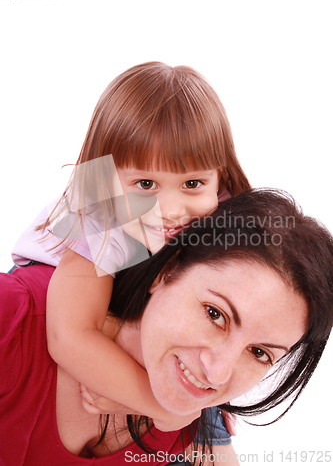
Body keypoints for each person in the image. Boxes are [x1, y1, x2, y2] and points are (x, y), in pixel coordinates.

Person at [2, 190, 332, 466]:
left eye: (259, 352)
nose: (217, 373)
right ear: (167, 270)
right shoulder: (14, 317)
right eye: (215, 314)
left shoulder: (184, 417)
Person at [10, 62, 250, 431]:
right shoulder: (99, 215)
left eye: (192, 185)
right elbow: (69, 336)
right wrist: (161, 406)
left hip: (136, 283)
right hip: (54, 284)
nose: (170, 212)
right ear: (106, 176)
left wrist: (212, 399)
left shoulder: (221, 210)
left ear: (219, 175)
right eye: (145, 184)